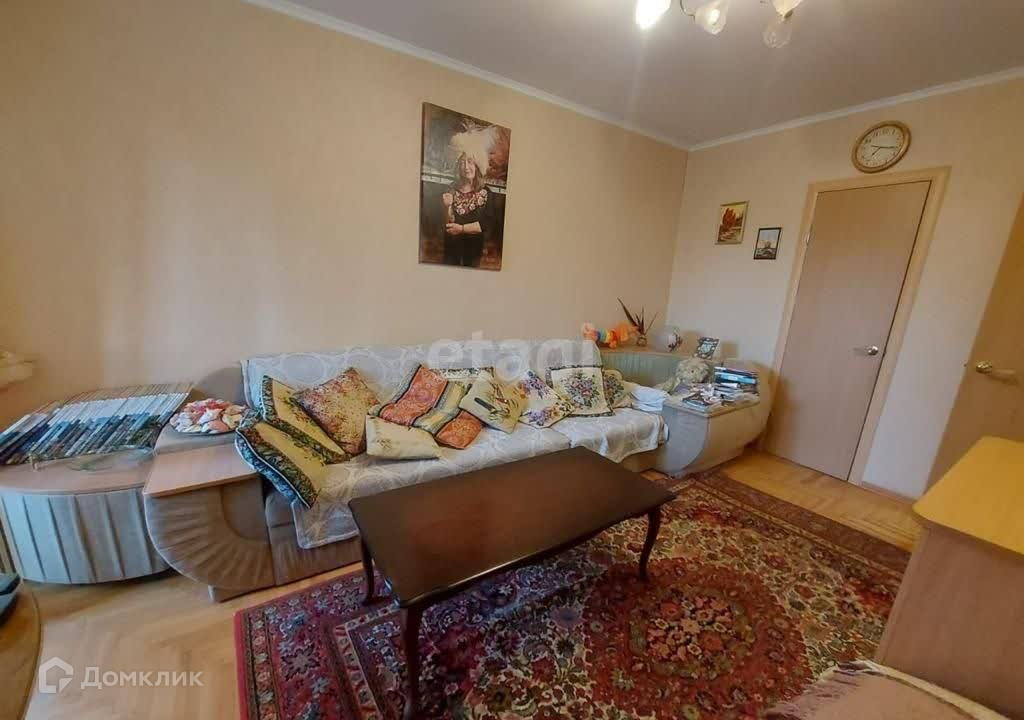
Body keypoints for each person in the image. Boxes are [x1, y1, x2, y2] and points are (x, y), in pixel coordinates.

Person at [441, 137, 492, 267]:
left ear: (477, 165)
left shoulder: (485, 192)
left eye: (470, 162)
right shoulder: (451, 189)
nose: (466, 167)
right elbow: (448, 224)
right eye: (462, 163)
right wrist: (448, 207)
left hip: (473, 251)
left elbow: (484, 225)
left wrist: (461, 229)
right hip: (452, 250)